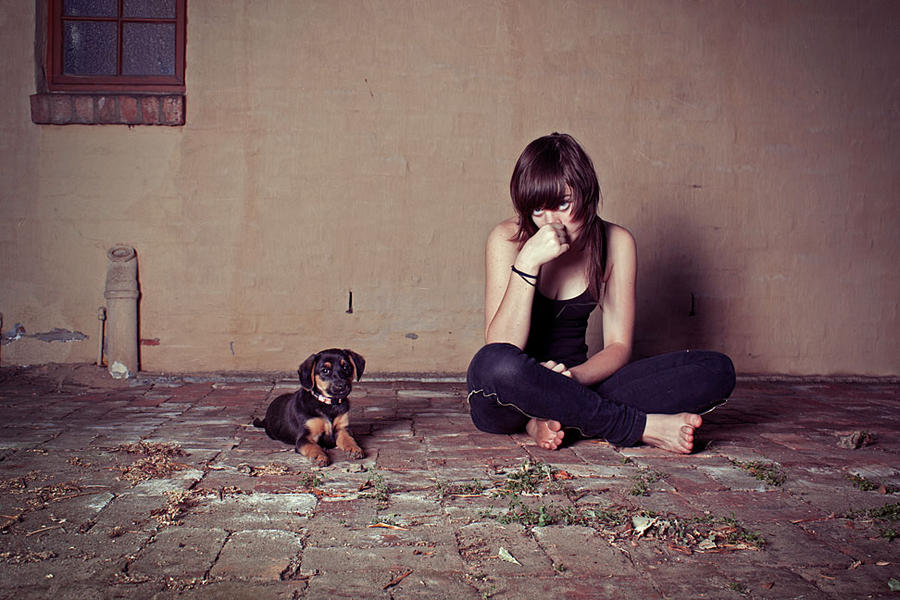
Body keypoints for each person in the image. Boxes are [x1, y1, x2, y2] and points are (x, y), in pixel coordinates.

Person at [466, 133, 735, 454]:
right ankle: (633, 426)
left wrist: (571, 379)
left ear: (586, 193)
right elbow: (501, 347)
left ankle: (553, 418)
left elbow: (619, 346)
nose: (550, 222)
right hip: (513, 392)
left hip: (580, 381)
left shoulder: (616, 242)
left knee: (716, 369)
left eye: (563, 204)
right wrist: (527, 261)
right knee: (493, 364)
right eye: (538, 210)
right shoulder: (507, 239)